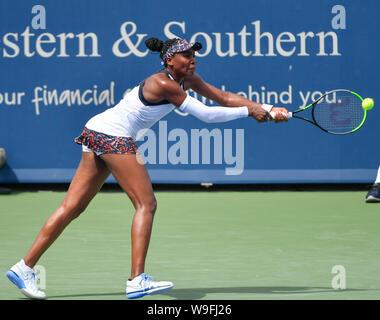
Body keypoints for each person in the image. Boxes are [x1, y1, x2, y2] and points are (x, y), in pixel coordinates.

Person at [6, 37, 288, 300]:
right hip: (113, 136)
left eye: (194, 55)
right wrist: (248, 112)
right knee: (146, 203)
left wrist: (266, 107)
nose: (192, 59)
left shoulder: (188, 79)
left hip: (96, 129)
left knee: (73, 207)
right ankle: (136, 280)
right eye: (185, 55)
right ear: (169, 61)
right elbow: (205, 114)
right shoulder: (162, 83)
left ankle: (24, 268)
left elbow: (223, 98)